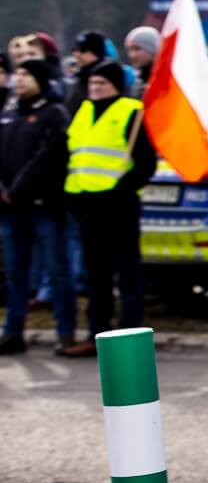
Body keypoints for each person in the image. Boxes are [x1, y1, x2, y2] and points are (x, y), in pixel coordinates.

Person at [59, 60, 156, 356]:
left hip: (119, 205)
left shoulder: (131, 111)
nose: (96, 88)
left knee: (127, 271)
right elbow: (74, 155)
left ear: (115, 85)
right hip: (86, 205)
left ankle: (131, 333)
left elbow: (145, 163)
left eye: (102, 83)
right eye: (92, 83)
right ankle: (97, 333)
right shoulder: (83, 111)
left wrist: (122, 190)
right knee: (95, 275)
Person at [0, 58, 72, 354]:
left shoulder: (54, 113)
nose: (19, 80)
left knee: (57, 270)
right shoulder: (9, 112)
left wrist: (17, 189)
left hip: (44, 205)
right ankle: (13, 332)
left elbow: (48, 157)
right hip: (10, 207)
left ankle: (65, 332)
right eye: (17, 74)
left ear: (40, 79)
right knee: (15, 273)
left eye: (26, 75)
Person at [122, 26, 159, 98]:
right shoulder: (136, 81)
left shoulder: (166, 80)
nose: (132, 55)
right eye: (129, 50)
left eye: (137, 49)